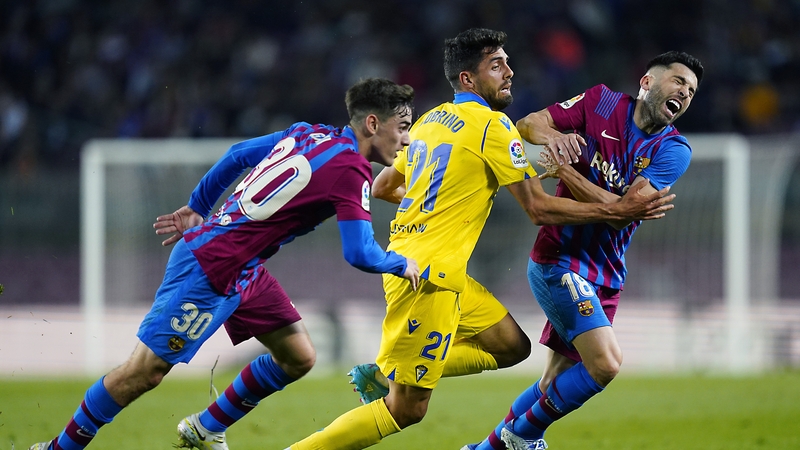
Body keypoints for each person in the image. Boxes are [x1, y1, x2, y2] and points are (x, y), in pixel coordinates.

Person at [285, 28, 676, 450]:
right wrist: (613, 211)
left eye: (507, 62)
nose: (509, 72)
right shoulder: (493, 126)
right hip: (427, 277)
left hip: (430, 265)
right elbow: (538, 209)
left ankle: (387, 372)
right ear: (469, 79)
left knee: (510, 346)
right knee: (406, 409)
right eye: (497, 65)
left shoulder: (431, 119)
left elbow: (383, 187)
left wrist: (439, 202)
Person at [27, 77, 421, 450]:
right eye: (401, 127)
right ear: (372, 123)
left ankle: (205, 428)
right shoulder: (351, 168)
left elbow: (236, 156)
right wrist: (401, 264)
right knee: (143, 372)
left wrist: (199, 206)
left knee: (298, 356)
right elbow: (360, 252)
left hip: (242, 266)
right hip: (213, 267)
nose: (406, 139)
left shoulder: (308, 132)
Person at [464, 51, 704, 450]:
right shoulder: (600, 102)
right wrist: (556, 140)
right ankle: (522, 437)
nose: (686, 92)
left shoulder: (674, 150)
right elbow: (527, 124)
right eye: (679, 81)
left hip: (607, 272)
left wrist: (564, 170)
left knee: (552, 383)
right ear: (647, 82)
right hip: (559, 259)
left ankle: (485, 448)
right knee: (605, 365)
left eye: (692, 91)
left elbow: (620, 214)